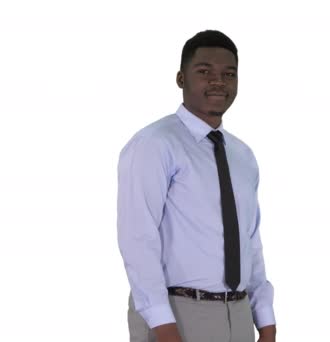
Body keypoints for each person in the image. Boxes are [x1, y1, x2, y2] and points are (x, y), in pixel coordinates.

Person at [117, 30, 276, 342]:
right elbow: (138, 238)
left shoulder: (242, 156)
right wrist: (163, 324)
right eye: (205, 72)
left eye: (229, 74)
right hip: (178, 312)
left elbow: (250, 240)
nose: (218, 81)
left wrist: (265, 319)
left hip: (239, 314)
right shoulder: (155, 145)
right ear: (180, 78)